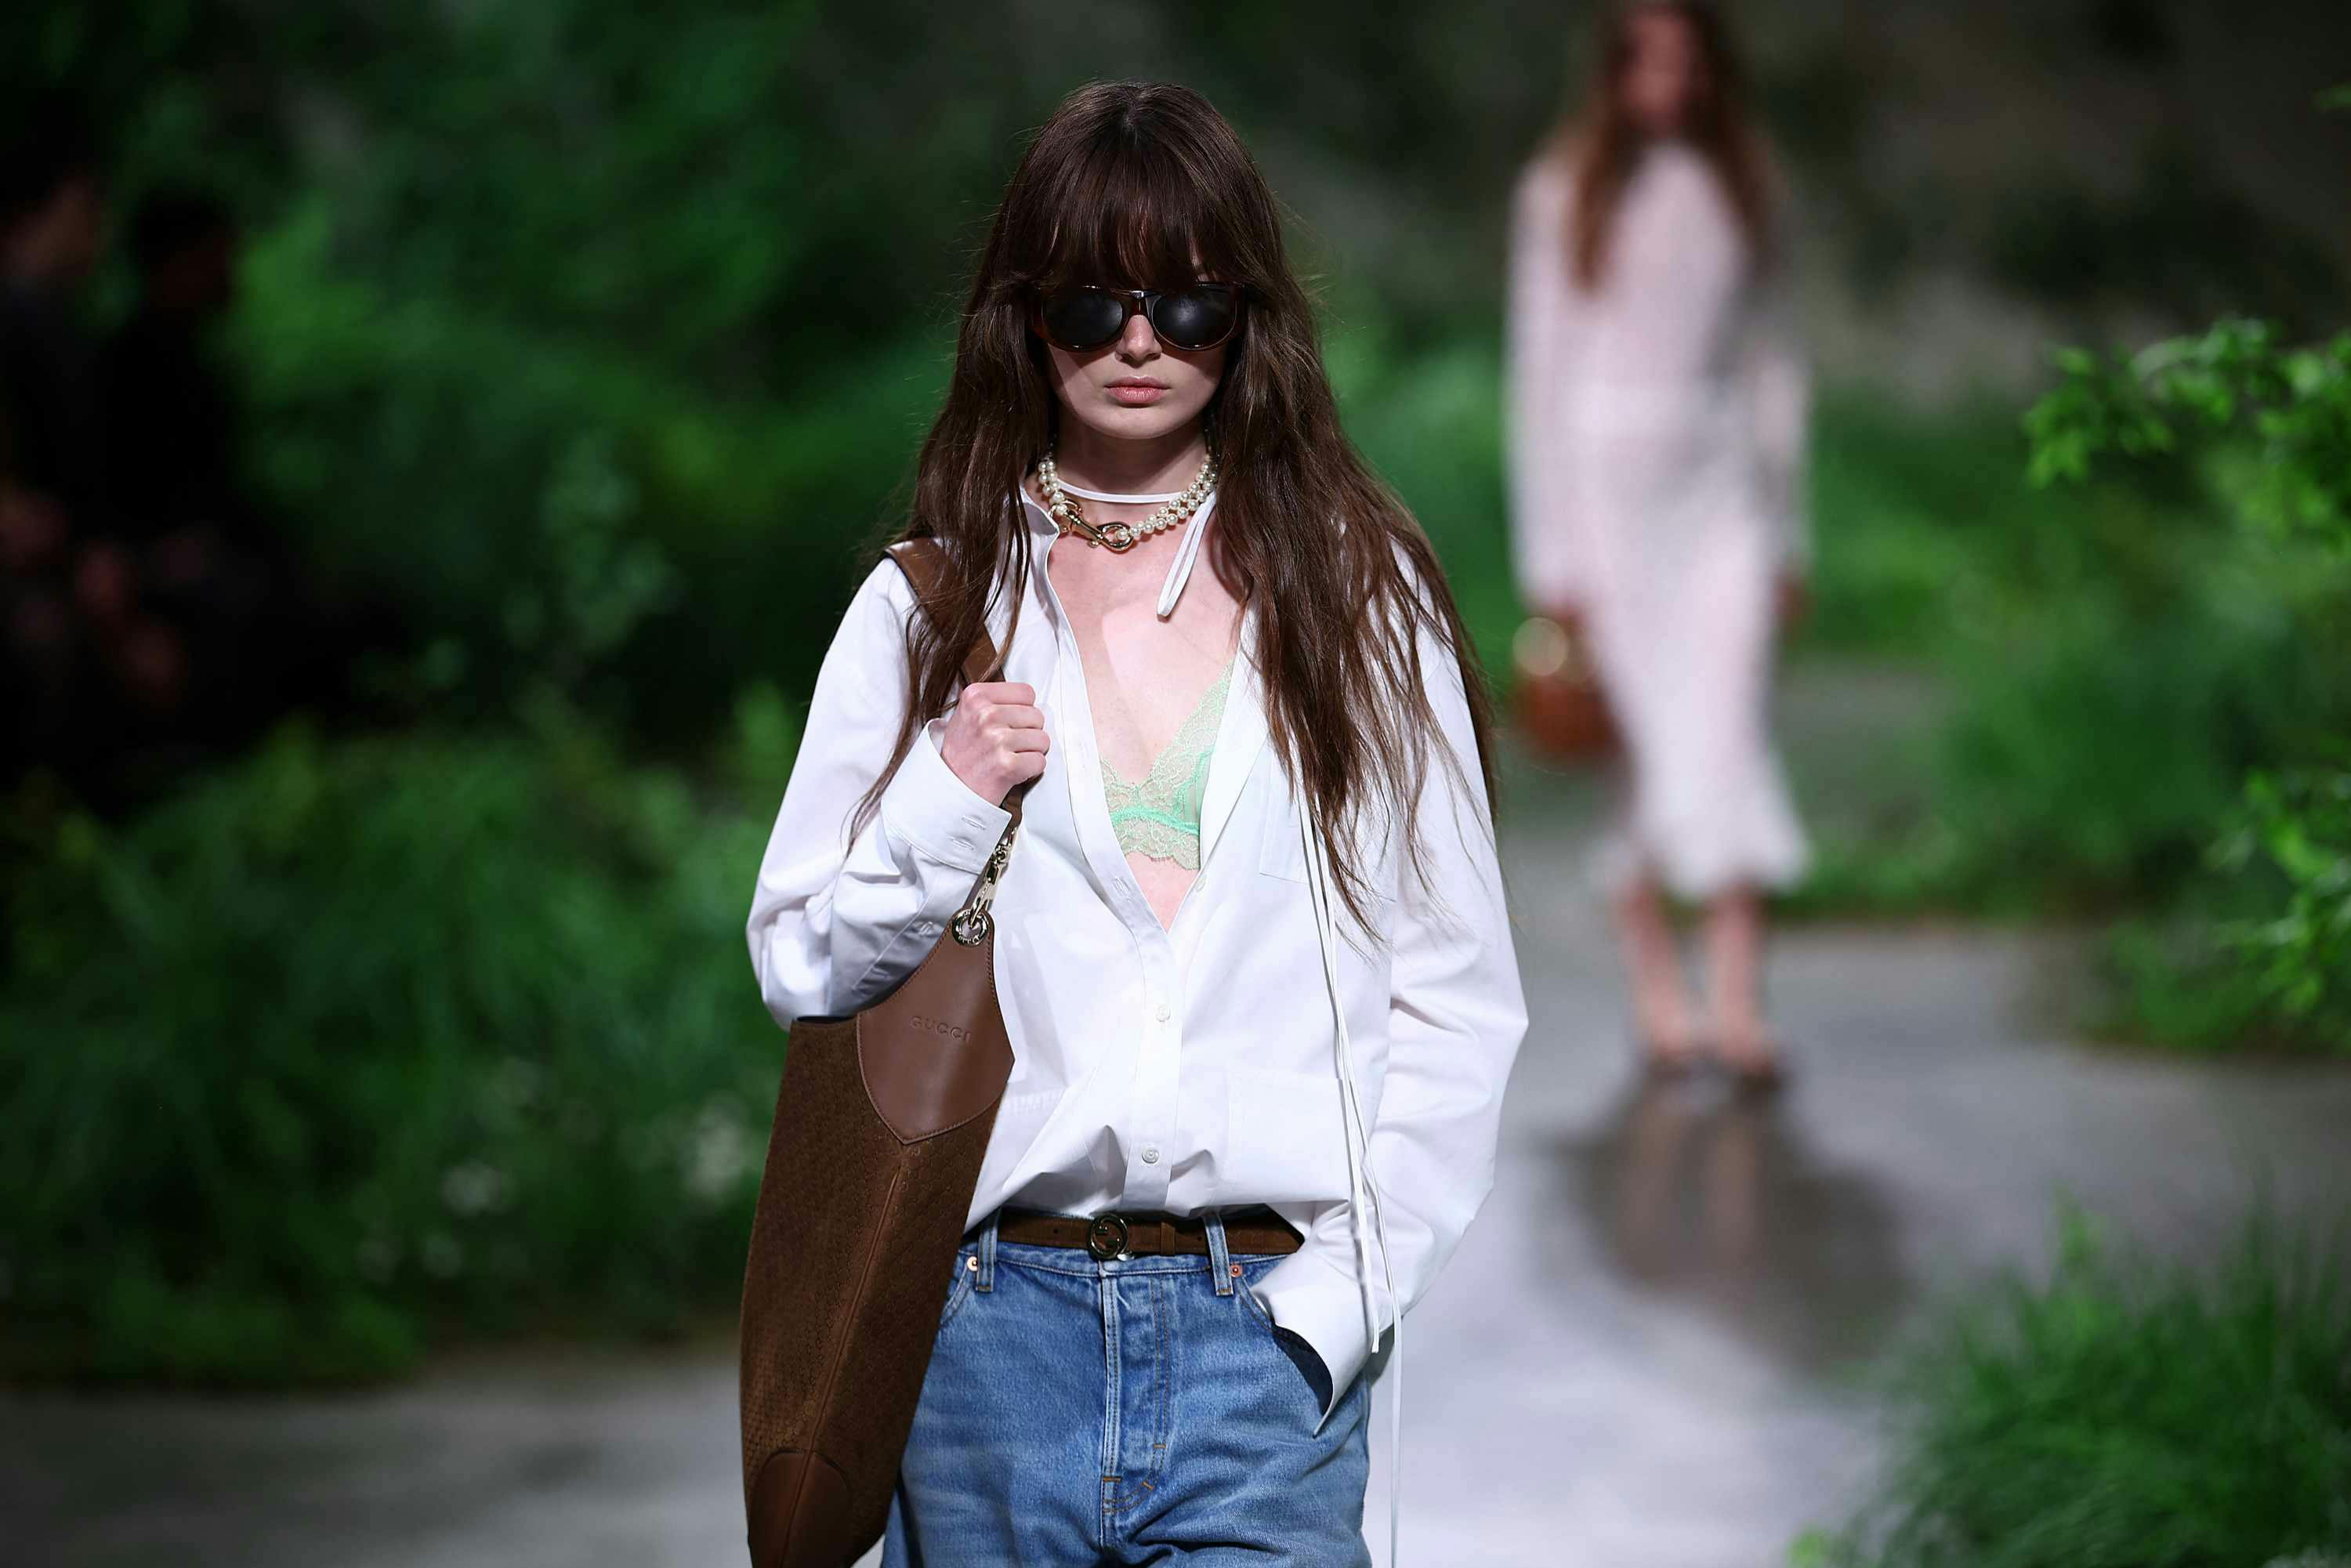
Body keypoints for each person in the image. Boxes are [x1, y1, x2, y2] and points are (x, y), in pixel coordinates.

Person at [748, 80, 1527, 1566]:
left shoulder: (1360, 599)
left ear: (1247, 319)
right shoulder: (930, 612)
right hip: (982, 1350)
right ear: (1026, 319)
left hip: (1266, 1348)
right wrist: (946, 791)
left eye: (1186, 301)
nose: (1140, 342)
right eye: (1095, 302)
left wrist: (1342, 1302)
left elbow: (1459, 991)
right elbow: (800, 958)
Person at [1505, 0, 1812, 1084]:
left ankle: (1737, 1001)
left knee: (1727, 724)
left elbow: (1775, 366)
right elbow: (1539, 384)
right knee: (1634, 745)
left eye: (1687, 60)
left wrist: (1789, 535)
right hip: (1608, 496)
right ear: (1615, 66)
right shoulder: (1561, 192)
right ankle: (1661, 996)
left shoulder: (1747, 185)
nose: (1669, 83)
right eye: (1650, 60)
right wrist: (1553, 563)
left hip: (1722, 490)